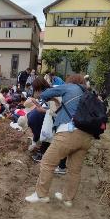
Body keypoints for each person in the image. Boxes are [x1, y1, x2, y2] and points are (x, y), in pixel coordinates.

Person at [25, 75, 92, 207]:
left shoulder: (69, 87)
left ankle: (41, 195)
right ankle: (68, 198)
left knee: (47, 163)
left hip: (69, 132)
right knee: (74, 170)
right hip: (86, 136)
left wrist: (49, 97)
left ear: (71, 81)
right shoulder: (87, 93)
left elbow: (46, 93)